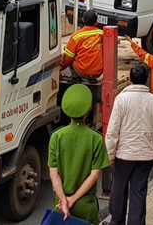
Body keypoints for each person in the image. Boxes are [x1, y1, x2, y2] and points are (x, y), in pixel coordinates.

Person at [105, 65, 153, 225]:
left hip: (123, 154)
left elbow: (113, 130)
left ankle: (116, 221)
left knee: (118, 189)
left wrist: (110, 154)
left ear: (130, 80)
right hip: (145, 155)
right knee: (139, 192)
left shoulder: (121, 99)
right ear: (147, 80)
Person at [48, 84, 110, 224]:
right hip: (85, 204)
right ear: (88, 111)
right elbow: (94, 175)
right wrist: (73, 200)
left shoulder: (56, 136)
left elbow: (53, 174)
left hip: (60, 204)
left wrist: (64, 201)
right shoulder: (96, 138)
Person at [60, 10, 103, 79]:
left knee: (70, 55)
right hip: (98, 73)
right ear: (96, 22)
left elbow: (67, 59)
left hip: (81, 72)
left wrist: (59, 68)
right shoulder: (102, 34)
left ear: (83, 20)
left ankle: (75, 79)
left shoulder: (77, 36)